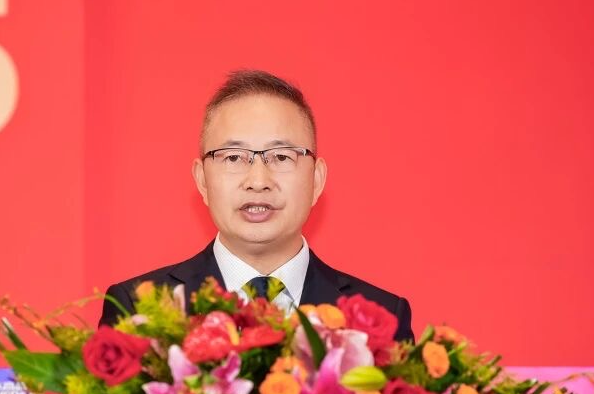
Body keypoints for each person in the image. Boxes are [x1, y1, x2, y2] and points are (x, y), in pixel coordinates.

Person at [99, 69, 414, 342]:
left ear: (317, 179)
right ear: (202, 180)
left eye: (281, 156)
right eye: (234, 157)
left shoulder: (381, 319)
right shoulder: (139, 310)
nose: (258, 180)